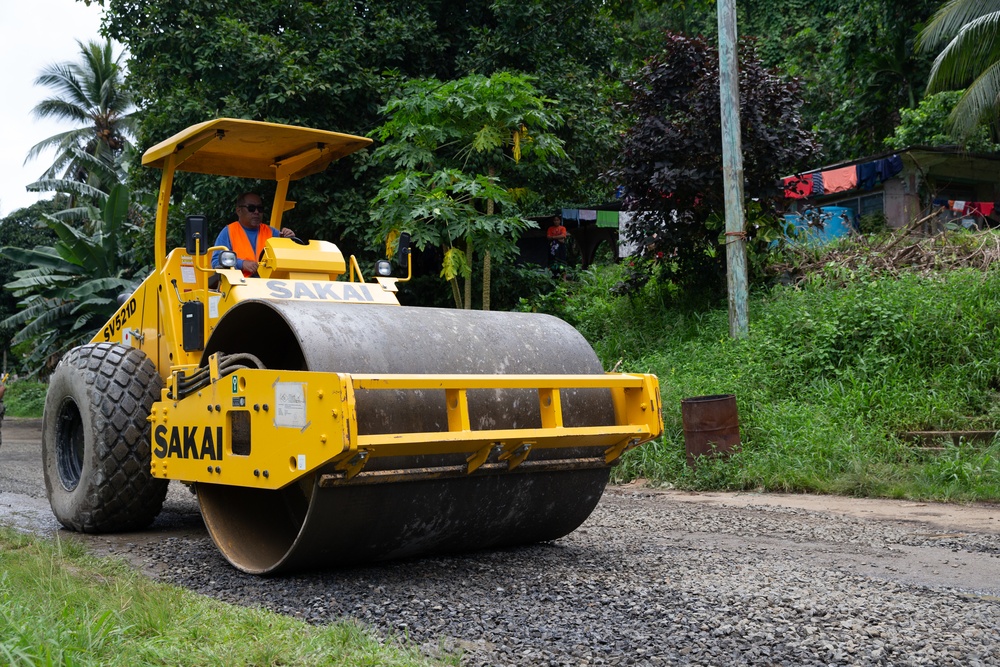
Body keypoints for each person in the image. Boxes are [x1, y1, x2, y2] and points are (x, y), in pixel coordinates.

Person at [211, 193, 296, 277]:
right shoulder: (228, 232)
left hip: (268, 285)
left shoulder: (272, 232)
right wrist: (242, 264)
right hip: (237, 286)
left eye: (260, 208)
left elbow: (288, 257)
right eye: (251, 208)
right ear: (239, 211)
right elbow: (216, 262)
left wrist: (289, 239)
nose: (256, 212)